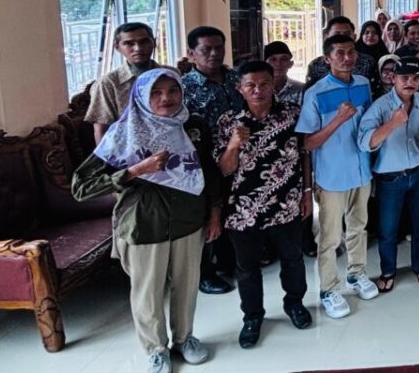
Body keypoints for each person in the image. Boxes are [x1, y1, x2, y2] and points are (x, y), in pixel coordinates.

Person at [71, 69, 222, 373]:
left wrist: (215, 213)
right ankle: (156, 349)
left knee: (187, 286)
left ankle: (185, 338)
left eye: (172, 90)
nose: (166, 98)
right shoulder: (124, 131)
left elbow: (209, 171)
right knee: (147, 293)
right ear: (140, 95)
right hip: (143, 224)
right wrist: (135, 171)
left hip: (188, 220)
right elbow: (81, 187)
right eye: (156, 92)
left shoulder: (193, 126)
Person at [214, 62, 312, 348]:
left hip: (286, 203)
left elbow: (304, 154)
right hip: (243, 210)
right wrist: (233, 145)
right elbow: (224, 170)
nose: (258, 90)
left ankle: (294, 303)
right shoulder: (228, 121)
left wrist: (307, 192)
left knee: (293, 259)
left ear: (273, 84)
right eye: (251, 85)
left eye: (264, 84)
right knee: (247, 268)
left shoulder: (292, 114)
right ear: (240, 88)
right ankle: (253, 316)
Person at [295, 34, 378, 320]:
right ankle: (329, 289)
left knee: (359, 227)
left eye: (351, 52)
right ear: (327, 58)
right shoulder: (316, 93)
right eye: (340, 53)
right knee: (330, 237)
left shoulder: (364, 84)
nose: (347, 58)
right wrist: (338, 120)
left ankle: (357, 273)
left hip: (361, 170)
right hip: (331, 177)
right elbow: (308, 143)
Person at [358, 59, 419, 293]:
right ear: (393, 79)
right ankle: (388, 271)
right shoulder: (381, 106)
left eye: (415, 78)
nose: (410, 82)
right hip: (391, 176)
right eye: (404, 78)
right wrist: (392, 124)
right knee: (388, 228)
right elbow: (365, 142)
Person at [180, 25, 243, 296]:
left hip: (238, 156)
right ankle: (204, 274)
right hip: (202, 160)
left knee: (232, 209)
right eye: (207, 49)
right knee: (206, 216)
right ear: (192, 53)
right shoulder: (183, 88)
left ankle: (230, 262)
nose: (215, 54)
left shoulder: (235, 78)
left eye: (219, 48)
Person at [85, 22, 167, 143]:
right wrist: (105, 156)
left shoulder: (169, 74)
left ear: (154, 43)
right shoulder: (108, 83)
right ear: (117, 47)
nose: (138, 48)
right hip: (128, 148)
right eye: (129, 43)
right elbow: (101, 129)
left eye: (144, 42)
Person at [305, 17, 380, 94]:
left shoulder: (368, 62)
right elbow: (310, 95)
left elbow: (374, 94)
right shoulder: (315, 66)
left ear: (354, 37)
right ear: (326, 37)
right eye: (336, 34)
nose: (342, 37)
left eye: (347, 34)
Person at [263, 41, 305, 107]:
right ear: (265, 64)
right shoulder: (258, 89)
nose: (278, 64)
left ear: (291, 64)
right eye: (273, 59)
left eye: (284, 59)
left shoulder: (302, 89)